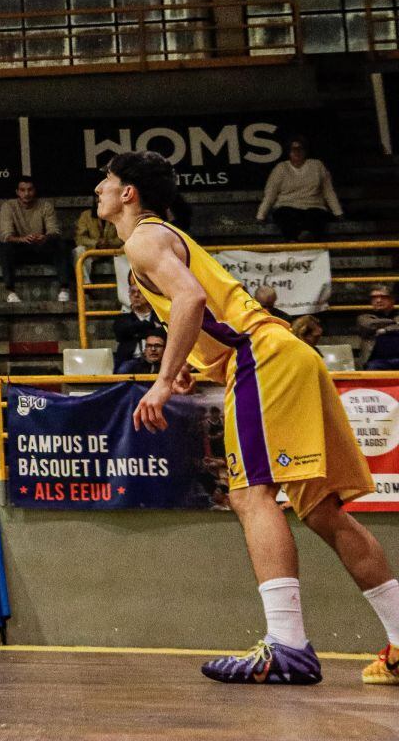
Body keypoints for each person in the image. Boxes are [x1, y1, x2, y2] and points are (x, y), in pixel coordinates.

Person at [100, 149, 399, 685]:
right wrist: (192, 362)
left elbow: (190, 299)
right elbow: (206, 311)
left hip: (261, 360)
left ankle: (286, 645)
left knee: (249, 493)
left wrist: (164, 380)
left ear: (128, 192)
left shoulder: (142, 238)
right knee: (323, 512)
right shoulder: (163, 236)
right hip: (285, 355)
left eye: (106, 181)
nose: (97, 191)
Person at [257, 136, 343, 243]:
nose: (297, 152)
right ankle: (292, 240)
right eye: (293, 149)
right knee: (283, 215)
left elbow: (328, 191)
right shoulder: (281, 168)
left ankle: (307, 236)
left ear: (305, 151)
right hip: (288, 205)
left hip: (313, 205)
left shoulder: (317, 165)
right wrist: (261, 215)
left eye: (300, 149)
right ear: (288, 152)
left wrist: (338, 212)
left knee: (317, 216)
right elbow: (270, 194)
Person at [0, 177, 69, 304]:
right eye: (22, 190)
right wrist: (22, 239)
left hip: (42, 247)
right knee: (4, 247)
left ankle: (64, 289)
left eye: (30, 190)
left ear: (35, 191)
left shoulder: (46, 206)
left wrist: (45, 237)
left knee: (60, 244)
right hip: (20, 249)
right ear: (17, 192)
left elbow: (54, 231)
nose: (26, 194)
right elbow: (6, 235)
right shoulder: (8, 206)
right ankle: (11, 292)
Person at [111, 286, 164, 367]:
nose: (136, 295)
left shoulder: (160, 317)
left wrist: (136, 332)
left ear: (148, 295)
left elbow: (165, 334)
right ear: (129, 296)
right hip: (131, 359)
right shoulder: (123, 319)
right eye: (132, 292)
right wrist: (151, 326)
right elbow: (121, 333)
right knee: (123, 370)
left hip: (159, 359)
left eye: (140, 292)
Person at [357, 286, 397, 367]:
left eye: (383, 297)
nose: (378, 300)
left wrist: (385, 330)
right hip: (375, 362)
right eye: (374, 298)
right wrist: (395, 323)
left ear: (392, 300)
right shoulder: (364, 317)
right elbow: (369, 325)